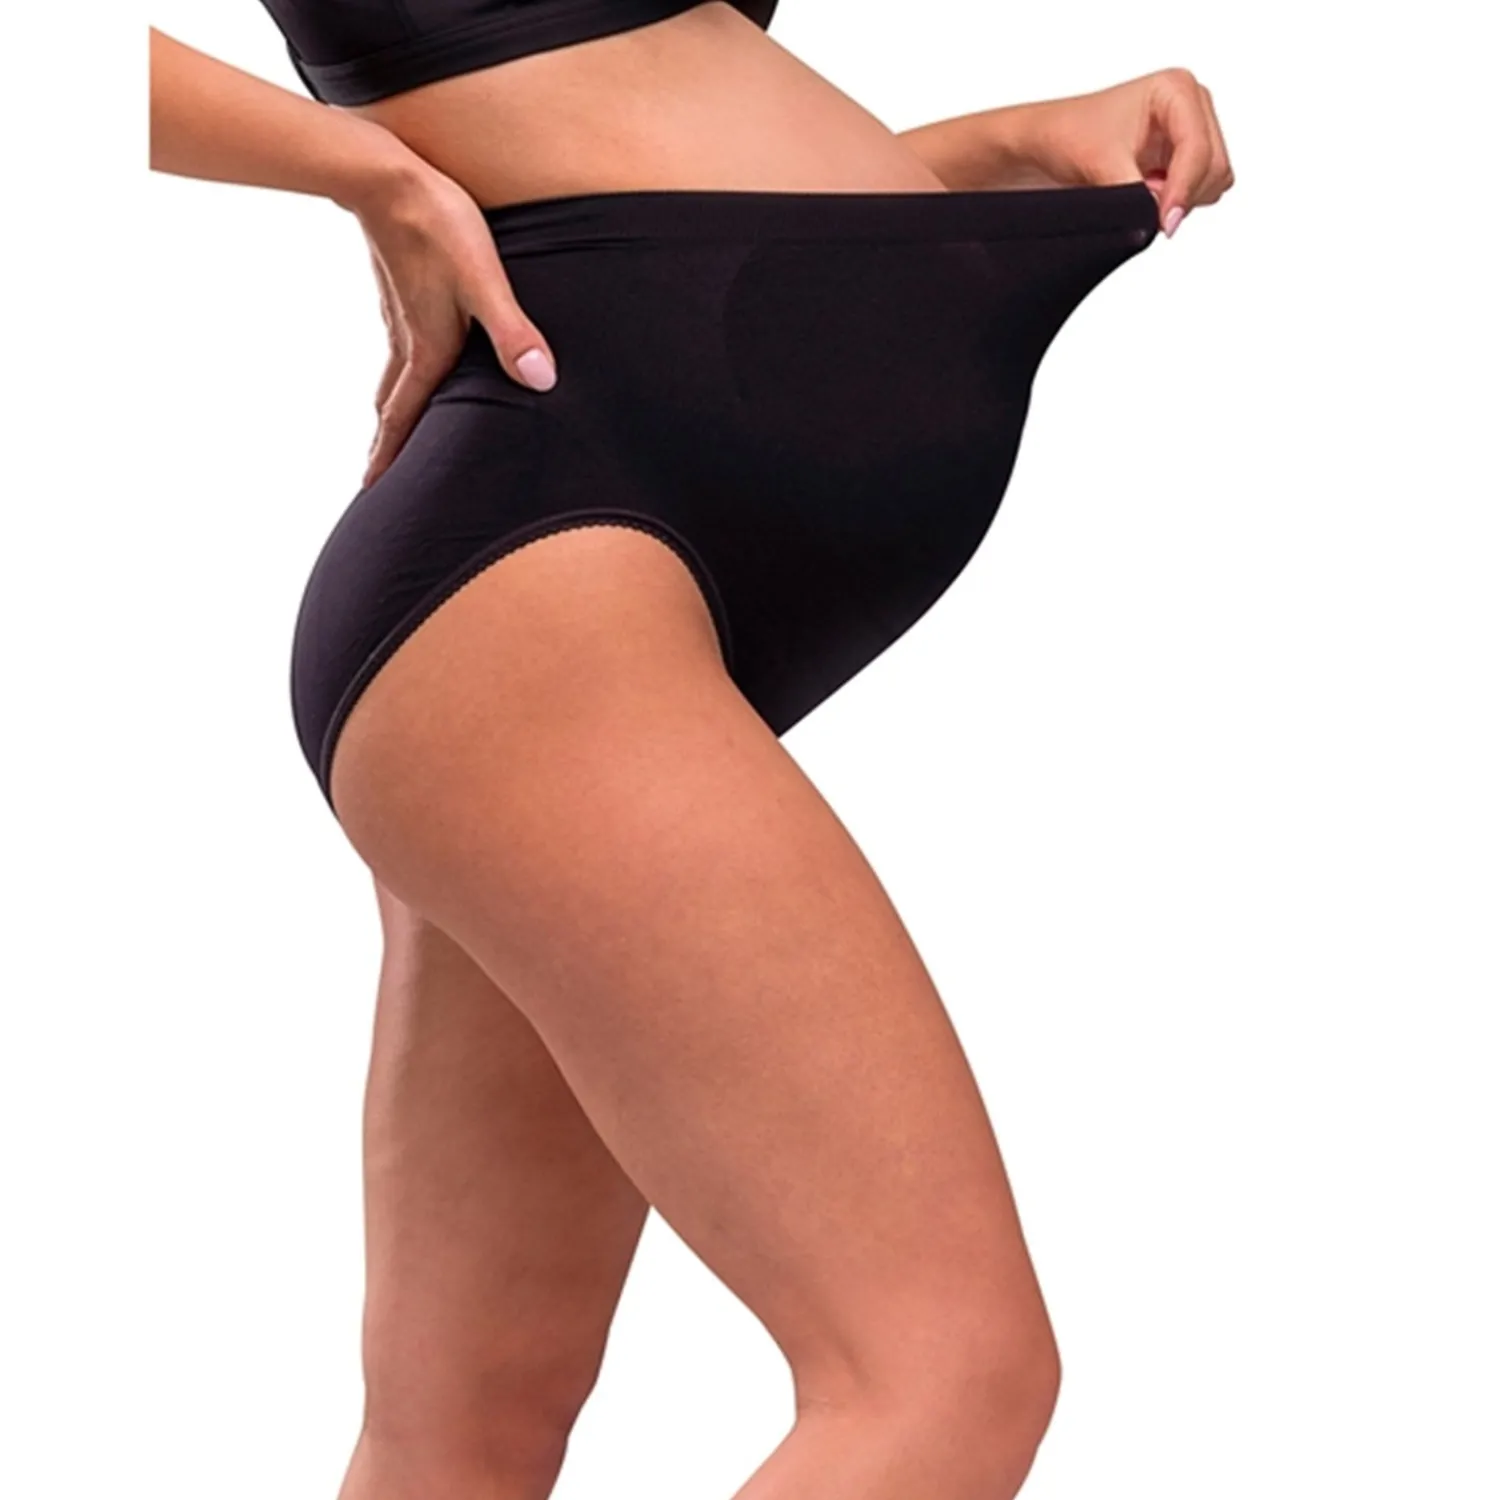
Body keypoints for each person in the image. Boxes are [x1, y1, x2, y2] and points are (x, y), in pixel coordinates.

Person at [148, 6, 1233, 1497]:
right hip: (534, 590)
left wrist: (1009, 144)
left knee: (466, 1425)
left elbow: (664, 165)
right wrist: (365, 171)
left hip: (565, 611)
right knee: (946, 1373)